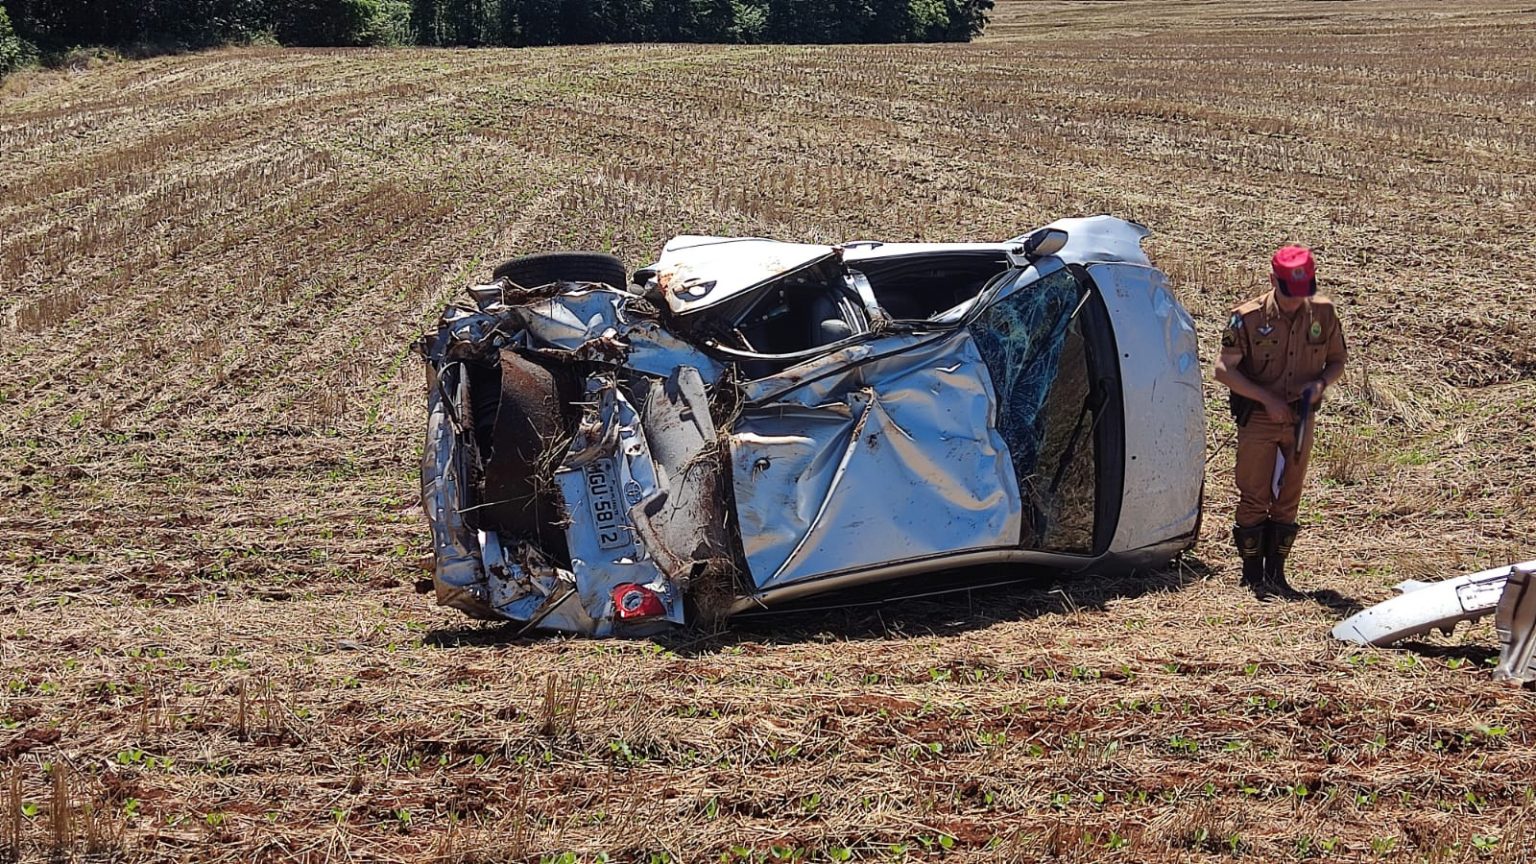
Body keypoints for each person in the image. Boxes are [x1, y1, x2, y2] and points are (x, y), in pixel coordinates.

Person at [1213, 245, 1348, 598]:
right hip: (1260, 418)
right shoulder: (1246, 318)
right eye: (1290, 291)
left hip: (1301, 418)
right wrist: (1266, 399)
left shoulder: (1323, 313)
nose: (1296, 300)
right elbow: (1224, 369)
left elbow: (1337, 361)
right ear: (1273, 280)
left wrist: (1320, 384)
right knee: (1254, 496)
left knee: (1289, 497)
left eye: (1303, 291)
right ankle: (1252, 576)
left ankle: (1277, 575)